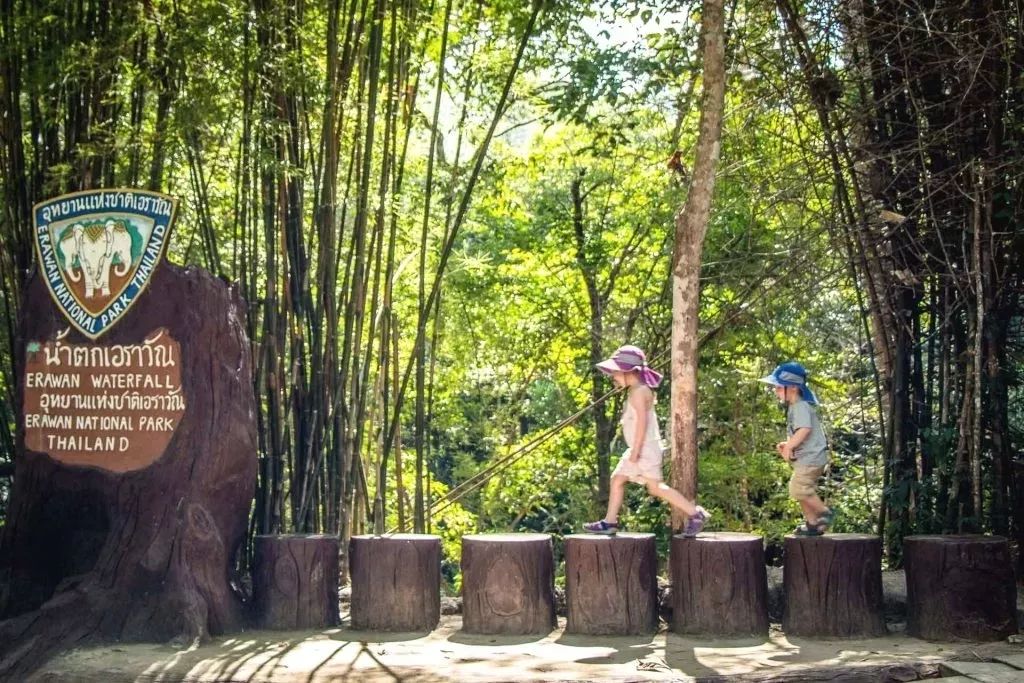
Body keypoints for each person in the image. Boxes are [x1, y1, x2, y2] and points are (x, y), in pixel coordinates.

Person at [583, 344, 710, 538]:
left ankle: (695, 513)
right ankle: (609, 521)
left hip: (644, 449)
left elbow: (642, 423)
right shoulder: (636, 390)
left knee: (656, 487)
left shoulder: (639, 392)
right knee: (618, 480)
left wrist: (636, 452)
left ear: (628, 372)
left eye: (616, 373)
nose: (613, 377)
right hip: (639, 448)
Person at [758, 361, 834, 536]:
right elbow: (799, 433)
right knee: (801, 491)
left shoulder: (800, 406)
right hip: (806, 458)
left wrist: (790, 445)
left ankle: (824, 513)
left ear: (791, 388)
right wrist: (788, 445)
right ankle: (813, 524)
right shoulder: (795, 407)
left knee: (798, 489)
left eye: (778, 387)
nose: (775, 391)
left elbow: (805, 430)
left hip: (811, 458)